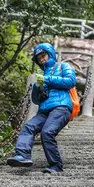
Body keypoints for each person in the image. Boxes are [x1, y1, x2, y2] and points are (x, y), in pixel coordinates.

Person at [7, 43, 76, 173]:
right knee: (29, 127)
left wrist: (47, 80)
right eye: (39, 58)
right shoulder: (42, 75)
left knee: (47, 132)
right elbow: (36, 100)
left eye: (43, 55)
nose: (42, 60)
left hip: (61, 107)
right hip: (45, 110)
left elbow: (70, 81)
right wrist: (37, 87)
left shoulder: (63, 66)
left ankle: (56, 166)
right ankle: (23, 155)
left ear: (50, 54)